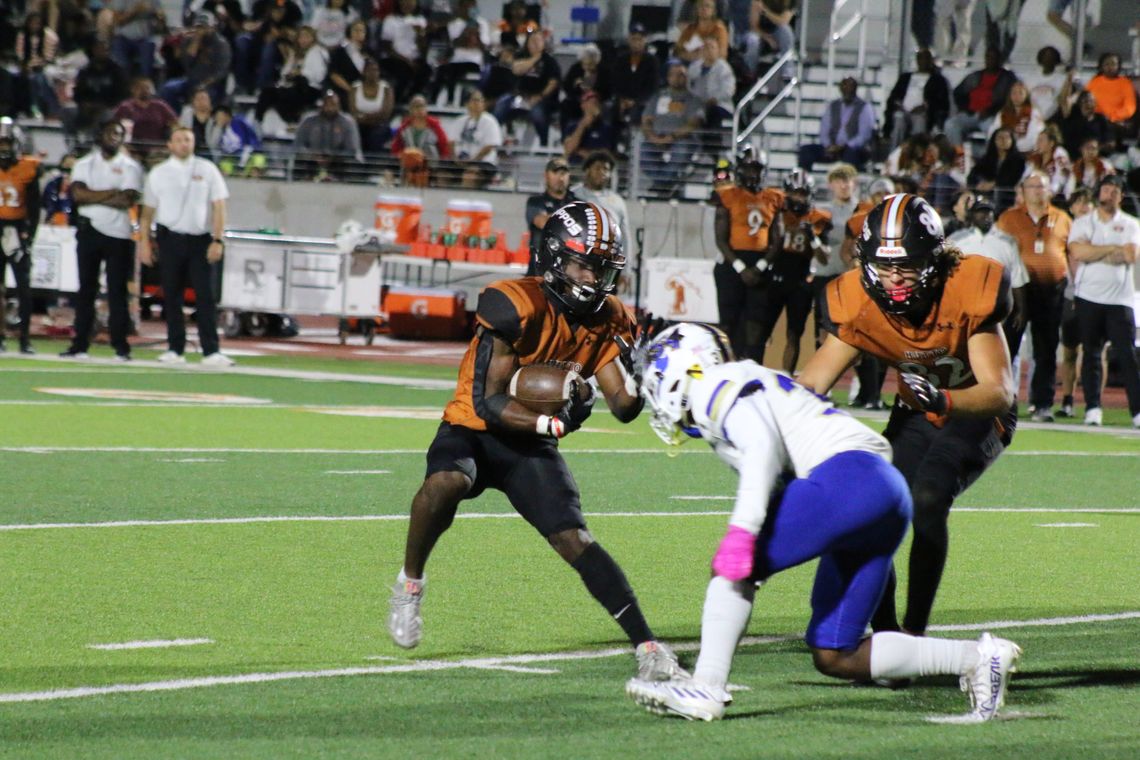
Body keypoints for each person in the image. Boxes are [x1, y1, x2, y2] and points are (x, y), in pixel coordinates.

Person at [625, 321, 1022, 722]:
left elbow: (762, 448)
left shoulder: (715, 385)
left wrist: (742, 532)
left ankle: (706, 686)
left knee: (731, 570)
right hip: (883, 492)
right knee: (835, 652)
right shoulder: (749, 379)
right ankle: (978, 657)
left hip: (849, 478)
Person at [387, 201, 686, 684]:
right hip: (476, 430)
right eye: (585, 264)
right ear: (554, 257)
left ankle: (649, 646)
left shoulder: (606, 316)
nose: (595, 279)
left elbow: (624, 406)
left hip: (528, 448)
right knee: (444, 484)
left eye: (602, 268)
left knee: (576, 539)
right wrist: (554, 422)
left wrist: (647, 373)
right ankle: (410, 583)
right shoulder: (514, 303)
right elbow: (488, 402)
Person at [797, 193, 1018, 638]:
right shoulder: (857, 300)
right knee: (870, 508)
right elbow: (809, 386)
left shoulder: (967, 285)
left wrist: (944, 401)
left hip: (972, 409)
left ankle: (915, 634)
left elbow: (999, 392)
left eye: (908, 267)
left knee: (928, 498)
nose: (895, 279)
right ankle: (886, 633)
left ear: (934, 261)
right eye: (885, 266)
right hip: (916, 409)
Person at [138, 126, 233, 367]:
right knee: (171, 295)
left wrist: (218, 239)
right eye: (179, 140)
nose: (184, 144)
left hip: (200, 238)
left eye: (188, 140)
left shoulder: (207, 169)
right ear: (169, 144)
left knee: (206, 296)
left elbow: (219, 206)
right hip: (169, 238)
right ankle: (174, 347)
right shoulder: (158, 173)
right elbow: (147, 212)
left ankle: (211, 350)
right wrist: (144, 243)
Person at [61, 119, 144, 361]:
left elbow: (127, 199)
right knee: (86, 289)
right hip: (89, 231)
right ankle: (79, 345)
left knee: (117, 292)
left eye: (119, 133)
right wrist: (111, 192)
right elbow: (77, 195)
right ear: (101, 135)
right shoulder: (85, 163)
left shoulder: (131, 166)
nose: (115, 137)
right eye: (111, 132)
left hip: (119, 234)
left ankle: (120, 346)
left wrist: (93, 195)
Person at [996, 170, 1072, 421]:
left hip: (1052, 289)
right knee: (1008, 346)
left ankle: (1042, 405)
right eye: (1033, 186)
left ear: (1049, 190)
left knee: (1046, 347)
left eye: (1042, 186)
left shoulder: (1062, 218)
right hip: (1018, 290)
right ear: (1023, 191)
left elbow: (1070, 253)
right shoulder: (1008, 218)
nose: (1038, 190)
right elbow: (998, 252)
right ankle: (1002, 400)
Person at [1067, 174, 1140, 427]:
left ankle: (1137, 411)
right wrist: (1112, 249)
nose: (1109, 194)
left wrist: (1095, 250)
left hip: (1121, 299)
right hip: (1088, 296)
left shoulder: (1130, 224)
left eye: (1114, 190)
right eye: (1105, 189)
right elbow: (1077, 251)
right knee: (1091, 354)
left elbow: (1130, 255)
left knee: (1128, 356)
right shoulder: (1083, 222)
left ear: (1121, 195)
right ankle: (1093, 408)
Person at [755, 169, 831, 373]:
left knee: (794, 333)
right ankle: (755, 373)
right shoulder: (776, 213)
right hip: (774, 276)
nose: (799, 198)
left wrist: (813, 238)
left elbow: (824, 258)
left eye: (803, 193)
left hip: (799, 282)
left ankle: (787, 376)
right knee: (762, 330)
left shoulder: (816, 219)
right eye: (795, 193)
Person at [712, 147, 783, 362]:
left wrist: (760, 266)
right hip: (733, 264)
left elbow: (778, 239)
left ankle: (753, 365)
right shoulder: (728, 196)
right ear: (740, 170)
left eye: (757, 169)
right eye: (749, 169)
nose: (753, 174)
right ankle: (726, 365)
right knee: (727, 321)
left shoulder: (773, 197)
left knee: (756, 323)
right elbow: (720, 239)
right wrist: (741, 268)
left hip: (760, 263)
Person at [838, 178, 894, 410]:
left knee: (885, 344)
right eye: (878, 193)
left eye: (886, 193)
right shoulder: (859, 218)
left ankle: (872, 394)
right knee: (863, 339)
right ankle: (868, 394)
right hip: (865, 285)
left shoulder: (898, 218)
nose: (882, 196)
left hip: (890, 285)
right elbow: (845, 250)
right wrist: (855, 265)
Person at [948, 194, 1027, 351]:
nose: (985, 216)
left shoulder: (1007, 242)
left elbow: (1018, 278)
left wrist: (1021, 310)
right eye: (980, 212)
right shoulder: (956, 240)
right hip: (963, 307)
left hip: (997, 307)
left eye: (988, 212)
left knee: (998, 352)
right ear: (971, 215)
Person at [0, 135, 42, 354]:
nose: (4, 151)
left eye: (7, 146)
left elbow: (35, 208)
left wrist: (29, 236)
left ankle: (24, 339)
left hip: (17, 230)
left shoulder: (28, 169)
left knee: (23, 288)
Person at [1056, 187, 1095, 419]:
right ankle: (1068, 400)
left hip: (1095, 296)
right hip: (1070, 295)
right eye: (1079, 202)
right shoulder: (1065, 231)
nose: (1083, 207)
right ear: (1071, 207)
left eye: (1087, 203)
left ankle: (1094, 404)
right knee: (1069, 351)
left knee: (1095, 351)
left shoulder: (1099, 231)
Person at [639, 62, 704, 193]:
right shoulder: (658, 96)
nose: (677, 78)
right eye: (673, 75)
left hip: (681, 138)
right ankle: (665, 183)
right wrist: (652, 137)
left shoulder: (694, 100)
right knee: (644, 150)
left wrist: (671, 137)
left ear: (687, 78)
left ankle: (661, 184)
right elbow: (646, 120)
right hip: (656, 137)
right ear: (668, 77)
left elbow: (693, 123)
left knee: (681, 150)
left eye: (681, 75)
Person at [797, 77, 876, 171]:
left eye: (850, 87)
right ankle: (804, 179)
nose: (847, 90)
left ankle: (846, 180)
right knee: (806, 151)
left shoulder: (864, 107)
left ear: (855, 89)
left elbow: (864, 135)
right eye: (844, 87)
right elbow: (824, 130)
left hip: (853, 149)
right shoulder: (833, 106)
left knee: (850, 154)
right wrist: (828, 145)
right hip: (833, 147)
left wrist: (845, 146)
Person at [943, 48, 1015, 149]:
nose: (991, 60)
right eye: (988, 57)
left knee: (993, 131)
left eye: (994, 58)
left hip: (990, 116)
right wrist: (965, 108)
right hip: (970, 113)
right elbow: (958, 93)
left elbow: (1009, 100)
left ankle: (989, 159)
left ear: (999, 60)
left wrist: (990, 111)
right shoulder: (975, 76)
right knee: (950, 124)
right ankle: (959, 156)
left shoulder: (1007, 78)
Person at [884, 48, 950, 148]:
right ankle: (895, 155)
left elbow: (942, 102)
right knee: (898, 118)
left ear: (931, 61)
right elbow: (894, 96)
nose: (923, 61)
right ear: (917, 60)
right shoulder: (905, 77)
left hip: (922, 113)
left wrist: (926, 106)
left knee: (919, 120)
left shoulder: (938, 80)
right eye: (921, 58)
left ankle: (916, 154)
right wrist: (897, 103)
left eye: (926, 58)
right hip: (903, 110)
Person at [296, 89, 364, 182]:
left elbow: (352, 149)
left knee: (353, 164)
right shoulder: (308, 120)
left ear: (339, 106)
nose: (329, 108)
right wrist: (313, 155)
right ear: (321, 105)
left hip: (339, 162)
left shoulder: (348, 122)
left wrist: (333, 157)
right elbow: (298, 145)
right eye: (326, 105)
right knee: (298, 162)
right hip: (312, 161)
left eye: (333, 105)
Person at [524, 157, 576, 274]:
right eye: (555, 172)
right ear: (546, 175)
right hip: (538, 270)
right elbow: (542, 222)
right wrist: (571, 219)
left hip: (567, 272)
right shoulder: (535, 201)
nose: (560, 177)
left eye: (563, 173)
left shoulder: (578, 202)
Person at [448, 90, 502, 188]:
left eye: (481, 100)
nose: (479, 103)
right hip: (460, 160)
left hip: (483, 162)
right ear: (467, 103)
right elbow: (451, 143)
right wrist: (455, 159)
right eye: (475, 100)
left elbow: (489, 147)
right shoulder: (459, 121)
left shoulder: (490, 121)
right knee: (442, 172)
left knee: (470, 174)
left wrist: (473, 160)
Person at [570, 150, 628, 239]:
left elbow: (625, 236)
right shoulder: (572, 194)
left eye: (606, 169)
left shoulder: (617, 201)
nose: (602, 172)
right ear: (587, 170)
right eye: (597, 168)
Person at [967, 127, 1026, 214]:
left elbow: (1012, 179)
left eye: (1006, 137)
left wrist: (994, 184)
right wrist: (978, 184)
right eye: (1000, 137)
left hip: (1007, 194)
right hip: (986, 192)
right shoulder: (988, 158)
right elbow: (973, 174)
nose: (1003, 140)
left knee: (998, 192)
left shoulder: (1018, 159)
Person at [687, 37, 735, 129]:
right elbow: (690, 86)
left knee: (711, 112)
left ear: (717, 50)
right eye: (705, 47)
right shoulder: (694, 67)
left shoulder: (723, 68)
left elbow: (728, 91)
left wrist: (714, 100)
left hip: (720, 105)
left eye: (712, 47)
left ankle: (711, 142)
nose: (708, 50)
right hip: (698, 104)